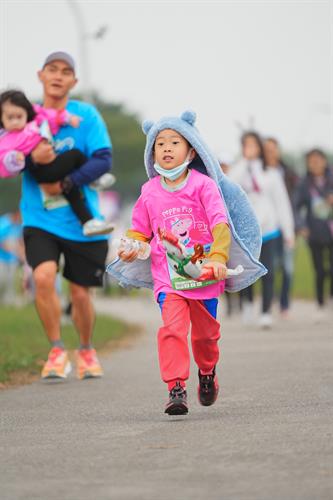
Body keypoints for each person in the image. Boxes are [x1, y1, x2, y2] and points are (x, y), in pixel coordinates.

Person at [110, 111, 266, 415]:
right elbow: (139, 231)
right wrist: (132, 247)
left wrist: (219, 258)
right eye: (159, 143)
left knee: (206, 336)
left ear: (191, 150)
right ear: (151, 152)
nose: (166, 148)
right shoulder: (149, 192)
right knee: (172, 329)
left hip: (205, 275)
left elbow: (221, 224)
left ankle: (207, 372)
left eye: (174, 142)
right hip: (169, 279)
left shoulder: (203, 185)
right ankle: (176, 387)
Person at [21, 51, 113, 380]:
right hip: (39, 218)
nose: (58, 76)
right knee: (43, 277)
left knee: (79, 293)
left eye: (65, 72)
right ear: (40, 75)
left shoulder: (86, 116)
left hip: (82, 221)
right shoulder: (26, 117)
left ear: (74, 81)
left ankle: (86, 349)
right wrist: (31, 157)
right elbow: (9, 157)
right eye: (52, 70)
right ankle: (57, 350)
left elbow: (103, 159)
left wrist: (67, 182)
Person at [0, 89, 114, 237]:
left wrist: (66, 118)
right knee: (75, 155)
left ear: (26, 113)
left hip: (52, 165)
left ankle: (88, 222)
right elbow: (3, 160)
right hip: (43, 171)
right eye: (10, 118)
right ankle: (95, 179)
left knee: (70, 190)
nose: (15, 122)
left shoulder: (34, 121)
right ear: (2, 119)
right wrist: (14, 158)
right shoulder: (6, 139)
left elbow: (50, 116)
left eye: (19, 116)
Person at [229, 131, 294, 328]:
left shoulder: (271, 173)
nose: (251, 149)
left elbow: (281, 202)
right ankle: (248, 303)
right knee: (246, 270)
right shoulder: (238, 170)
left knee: (269, 271)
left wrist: (288, 232)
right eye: (246, 145)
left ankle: (265, 311)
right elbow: (230, 187)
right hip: (246, 231)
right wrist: (244, 162)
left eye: (254, 145)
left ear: (260, 148)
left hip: (269, 229)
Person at [294, 149, 333, 318]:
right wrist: (301, 226)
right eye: (311, 161)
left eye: (318, 160)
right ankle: (319, 302)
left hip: (331, 230)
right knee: (319, 270)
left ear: (325, 161)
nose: (315, 163)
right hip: (314, 232)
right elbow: (296, 206)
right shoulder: (304, 183)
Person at [264, 137, 298, 317]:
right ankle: (270, 301)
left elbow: (292, 201)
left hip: (286, 224)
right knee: (271, 267)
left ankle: (284, 302)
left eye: (272, 149)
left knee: (288, 268)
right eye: (266, 149)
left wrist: (292, 228)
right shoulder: (259, 172)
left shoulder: (288, 173)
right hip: (269, 229)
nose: (270, 153)